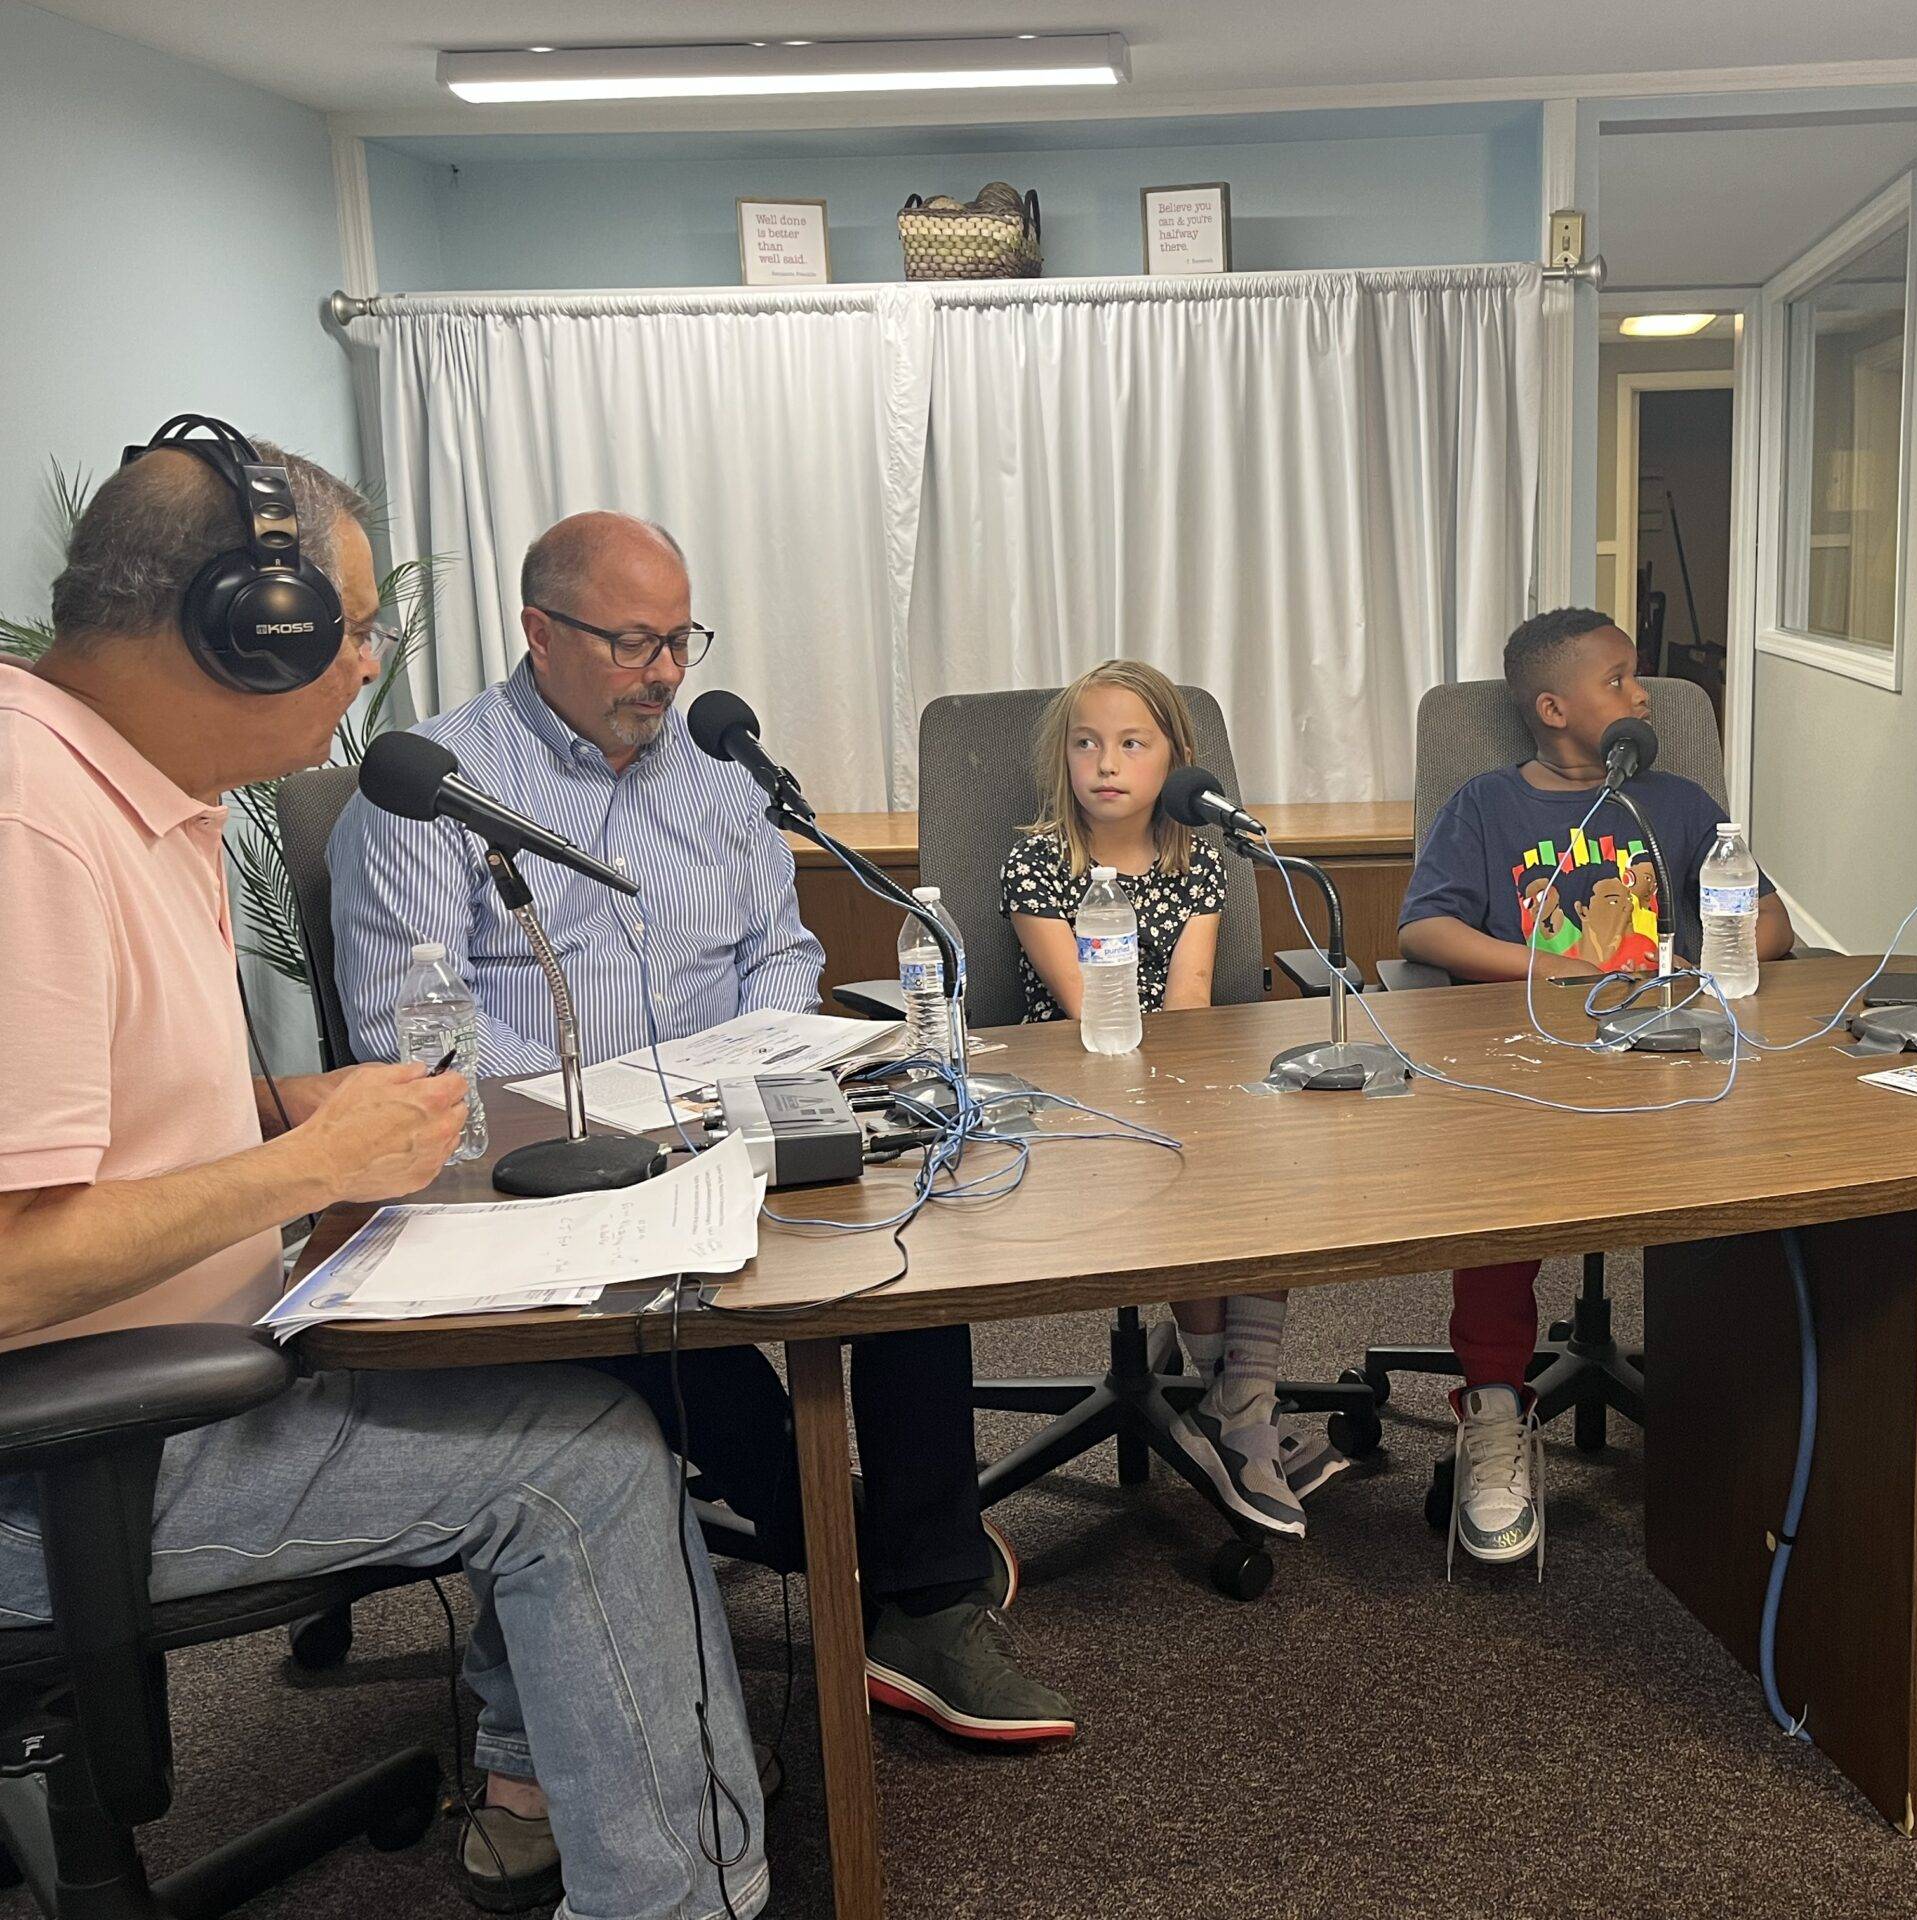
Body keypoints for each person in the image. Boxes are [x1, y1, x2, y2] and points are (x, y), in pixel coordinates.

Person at [0, 423, 770, 1919]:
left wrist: (278, 1105)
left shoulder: (125, 791)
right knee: (584, 1468)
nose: (369, 665)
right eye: (349, 630)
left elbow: (80, 1122)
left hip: (171, 1378)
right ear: (248, 625)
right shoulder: (31, 823)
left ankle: (558, 1782)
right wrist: (306, 1167)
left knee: (559, 1382)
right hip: (71, 1463)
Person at [328, 514, 1074, 1853]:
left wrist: (764, 1070)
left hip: (730, 1120)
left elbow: (779, 955)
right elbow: (414, 1039)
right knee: (675, 1329)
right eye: (632, 643)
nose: (666, 671)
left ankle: (925, 1602)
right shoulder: (436, 789)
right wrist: (609, 1117)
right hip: (550, 1166)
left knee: (913, 1220)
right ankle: (852, 1559)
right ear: (538, 631)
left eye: (681, 639)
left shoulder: (719, 774)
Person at [1399, 609, 1790, 1564]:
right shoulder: (1486, 806)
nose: (1643, 696)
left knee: (1769, 1179)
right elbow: (1425, 930)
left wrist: (1715, 957)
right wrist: (1561, 969)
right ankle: (1496, 1403)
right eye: (1618, 679)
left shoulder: (1680, 805)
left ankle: (1746, 1414)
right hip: (1528, 1072)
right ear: (1553, 708)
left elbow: (1770, 921)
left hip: (1673, 1062)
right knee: (1502, 1205)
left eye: (1636, 678)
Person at [998, 660, 1304, 1537]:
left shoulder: (1199, 858)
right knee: (1187, 1178)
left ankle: (1240, 1401)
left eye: (1132, 744)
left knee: (1268, 1165)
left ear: (1175, 759)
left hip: (1174, 1069)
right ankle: (1232, 1403)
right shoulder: (1035, 863)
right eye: (1086, 744)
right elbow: (1087, 1006)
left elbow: (1190, 1002)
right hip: (1074, 1088)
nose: (1105, 763)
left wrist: (1199, 1105)